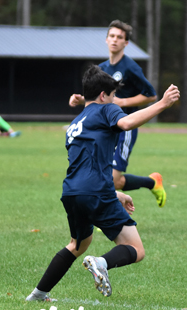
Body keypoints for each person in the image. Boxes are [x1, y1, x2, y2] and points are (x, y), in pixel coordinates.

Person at [26, 66, 180, 302]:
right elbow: (127, 123)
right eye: (113, 96)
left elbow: (86, 166)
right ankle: (102, 263)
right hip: (95, 191)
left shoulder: (76, 123)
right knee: (136, 250)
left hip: (72, 192)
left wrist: (116, 194)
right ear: (102, 96)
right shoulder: (107, 109)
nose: (114, 101)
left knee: (78, 244)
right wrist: (162, 104)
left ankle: (38, 294)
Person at [68, 20, 166, 207]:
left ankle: (108, 216)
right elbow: (97, 97)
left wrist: (124, 102)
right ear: (106, 40)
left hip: (125, 127)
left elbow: (151, 95)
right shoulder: (102, 68)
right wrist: (80, 99)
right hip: (105, 129)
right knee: (109, 179)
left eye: (119, 37)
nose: (115, 40)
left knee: (112, 179)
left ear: (126, 43)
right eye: (112, 36)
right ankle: (152, 182)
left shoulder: (130, 67)